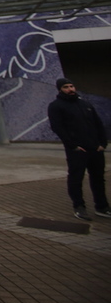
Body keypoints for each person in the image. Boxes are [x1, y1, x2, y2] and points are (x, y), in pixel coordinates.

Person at [47, 77, 110, 221]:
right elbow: (58, 127)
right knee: (76, 179)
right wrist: (73, 145)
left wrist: (102, 143)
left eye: (71, 86)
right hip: (77, 150)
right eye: (66, 87)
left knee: (98, 179)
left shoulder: (85, 104)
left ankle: (102, 206)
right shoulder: (56, 106)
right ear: (60, 89)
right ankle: (79, 206)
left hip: (95, 149)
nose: (70, 89)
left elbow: (98, 124)